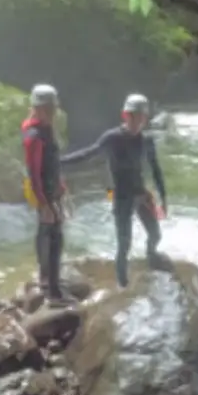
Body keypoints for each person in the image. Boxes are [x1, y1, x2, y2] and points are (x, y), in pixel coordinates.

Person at [61, 93, 168, 288]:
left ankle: (151, 256)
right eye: (133, 116)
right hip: (121, 197)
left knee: (155, 235)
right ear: (125, 115)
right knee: (124, 244)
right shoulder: (113, 138)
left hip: (141, 195)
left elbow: (156, 170)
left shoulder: (146, 141)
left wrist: (163, 197)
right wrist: (59, 163)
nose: (137, 121)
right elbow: (88, 154)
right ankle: (122, 285)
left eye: (142, 117)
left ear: (145, 118)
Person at [21, 83, 69, 304]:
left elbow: (52, 162)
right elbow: (34, 173)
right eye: (47, 109)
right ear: (37, 109)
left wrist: (60, 183)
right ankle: (52, 288)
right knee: (53, 237)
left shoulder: (47, 129)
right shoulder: (34, 135)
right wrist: (45, 204)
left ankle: (48, 279)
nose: (51, 113)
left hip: (51, 189)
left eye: (53, 109)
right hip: (41, 191)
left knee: (49, 232)